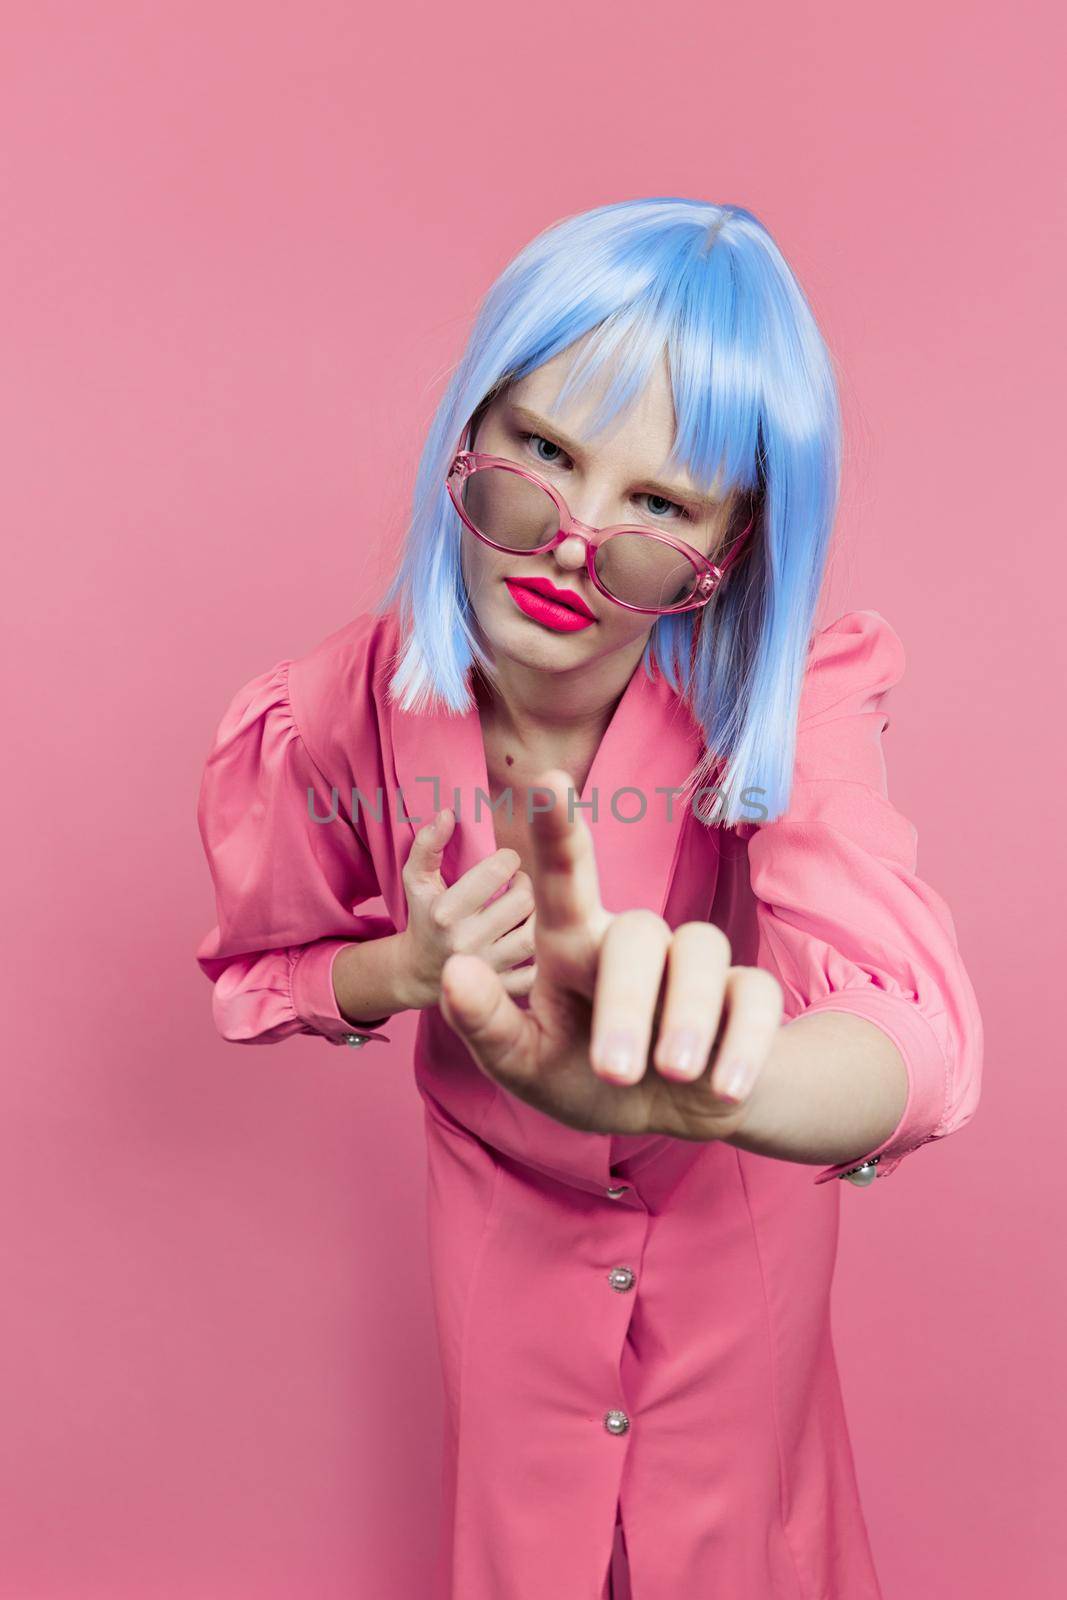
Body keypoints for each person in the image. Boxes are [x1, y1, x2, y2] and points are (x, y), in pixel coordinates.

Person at [194, 198, 983, 1600]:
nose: (574, 538)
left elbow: (908, 1033)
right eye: (546, 453)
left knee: (750, 1548)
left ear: (731, 548)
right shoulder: (333, 712)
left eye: (661, 505)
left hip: (738, 1230)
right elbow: (264, 973)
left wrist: (714, 1095)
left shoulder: (794, 706)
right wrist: (412, 966)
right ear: (474, 427)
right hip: (497, 1233)